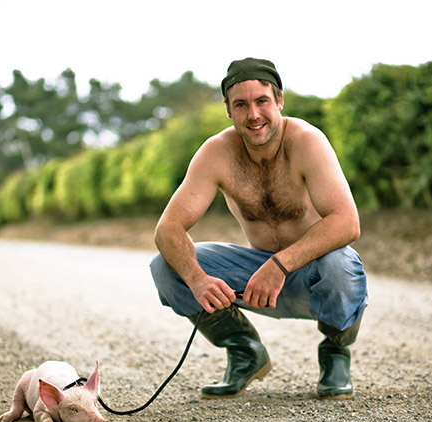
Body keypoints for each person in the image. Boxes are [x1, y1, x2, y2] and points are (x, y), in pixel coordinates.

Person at [150, 58, 368, 400]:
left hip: (313, 276)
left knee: (342, 264)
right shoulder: (216, 153)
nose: (253, 115)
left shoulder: (307, 141)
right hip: (255, 280)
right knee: (166, 266)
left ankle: (335, 352)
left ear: (279, 100)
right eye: (241, 105)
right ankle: (245, 351)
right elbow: (168, 229)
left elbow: (346, 222)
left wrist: (279, 265)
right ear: (228, 110)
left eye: (261, 101)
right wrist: (197, 279)